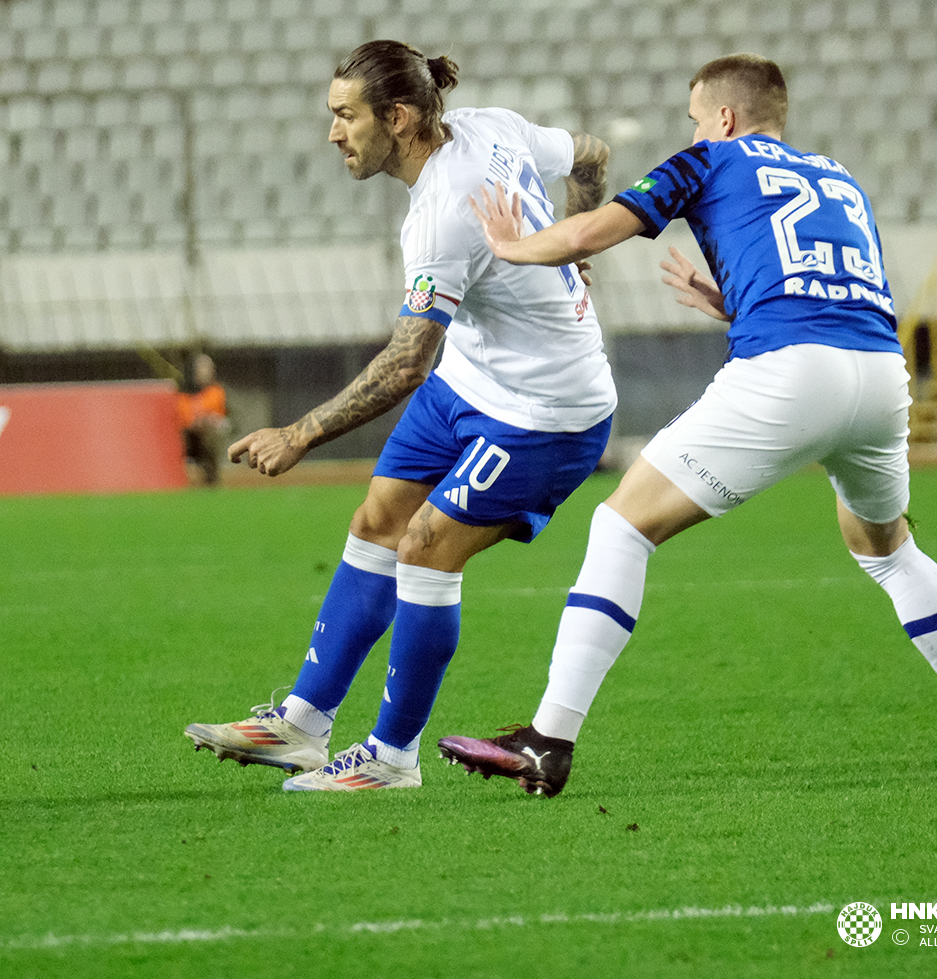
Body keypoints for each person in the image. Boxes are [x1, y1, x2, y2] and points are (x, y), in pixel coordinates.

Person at [438, 53, 937, 797]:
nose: (693, 129)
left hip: (787, 375)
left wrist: (510, 246)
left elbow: (592, 232)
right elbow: (836, 288)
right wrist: (731, 302)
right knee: (887, 550)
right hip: (880, 376)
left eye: (695, 117)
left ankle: (548, 740)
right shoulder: (837, 177)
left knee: (622, 526)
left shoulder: (708, 159)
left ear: (721, 117)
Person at [183, 39, 617, 791]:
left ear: (401, 116)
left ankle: (391, 759)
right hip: (473, 380)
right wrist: (576, 248)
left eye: (346, 116)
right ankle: (302, 725)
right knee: (376, 522)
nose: (333, 133)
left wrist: (300, 433)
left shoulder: (445, 213)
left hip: (547, 410)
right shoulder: (490, 124)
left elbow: (406, 363)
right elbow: (591, 153)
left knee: (424, 547)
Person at [177, 352, 230, 487]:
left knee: (215, 435)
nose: (210, 371)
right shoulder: (183, 394)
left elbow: (221, 418)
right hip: (188, 437)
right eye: (204, 367)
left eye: (211, 367)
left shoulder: (216, 392)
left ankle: (212, 477)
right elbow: (184, 420)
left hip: (208, 437)